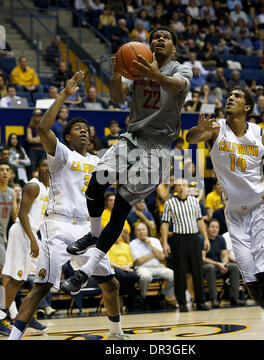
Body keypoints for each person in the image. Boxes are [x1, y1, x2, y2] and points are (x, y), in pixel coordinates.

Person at [62, 27, 192, 294]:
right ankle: (95, 232)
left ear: (174, 48)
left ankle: (85, 272)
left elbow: (177, 86)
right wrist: (118, 70)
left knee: (120, 207)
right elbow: (117, 95)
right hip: (132, 139)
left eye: (166, 37)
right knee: (97, 182)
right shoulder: (139, 63)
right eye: (155, 36)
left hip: (157, 150)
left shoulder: (181, 70)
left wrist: (153, 74)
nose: (159, 39)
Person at [8, 71, 130, 340]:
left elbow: (119, 182)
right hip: (59, 226)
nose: (83, 129)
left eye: (86, 127)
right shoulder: (62, 154)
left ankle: (116, 333)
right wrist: (64, 94)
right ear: (69, 137)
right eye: (77, 128)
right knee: (41, 287)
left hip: (88, 230)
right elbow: (42, 128)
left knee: (111, 284)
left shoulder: (99, 161)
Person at [186, 86, 264, 340]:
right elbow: (191, 139)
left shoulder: (261, 135)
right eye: (229, 95)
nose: (230, 97)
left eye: (237, 96)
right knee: (251, 280)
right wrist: (201, 130)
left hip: (262, 208)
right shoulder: (216, 129)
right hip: (234, 214)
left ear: (247, 108)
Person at [0, 159, 50, 335]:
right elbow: (22, 214)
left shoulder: (49, 189)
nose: (47, 168)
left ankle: (24, 316)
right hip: (23, 233)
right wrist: (33, 239)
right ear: (37, 169)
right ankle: (1, 316)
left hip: (31, 234)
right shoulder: (33, 186)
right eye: (43, 165)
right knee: (16, 278)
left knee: (33, 279)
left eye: (50, 166)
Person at [160, 178, 210, 312]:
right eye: (179, 185)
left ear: (188, 187)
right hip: (178, 239)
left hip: (194, 238)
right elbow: (165, 224)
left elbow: (200, 221)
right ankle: (182, 303)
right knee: (180, 272)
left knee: (198, 271)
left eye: (184, 185)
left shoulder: (194, 201)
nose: (181, 187)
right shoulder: (169, 203)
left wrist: (205, 238)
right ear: (175, 188)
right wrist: (165, 243)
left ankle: (200, 302)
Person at [130, 223, 176, 306]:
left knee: (174, 276)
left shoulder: (155, 241)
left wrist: (150, 245)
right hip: (143, 268)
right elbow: (139, 260)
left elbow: (162, 257)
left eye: (143, 229)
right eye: (139, 230)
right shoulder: (133, 243)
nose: (141, 232)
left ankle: (163, 295)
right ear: (135, 233)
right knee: (145, 277)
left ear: (147, 231)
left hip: (158, 267)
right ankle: (142, 297)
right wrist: (155, 254)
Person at [202, 218, 242, 308]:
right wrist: (218, 264)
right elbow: (203, 258)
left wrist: (223, 264)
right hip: (206, 267)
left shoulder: (221, 239)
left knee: (233, 267)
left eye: (217, 227)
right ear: (207, 228)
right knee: (210, 268)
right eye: (212, 227)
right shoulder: (204, 240)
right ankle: (214, 299)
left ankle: (234, 298)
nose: (215, 229)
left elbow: (225, 255)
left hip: (219, 266)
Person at [0, 161, 18, 335]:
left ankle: (9, 316)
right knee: (7, 279)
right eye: (1, 170)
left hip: (3, 240)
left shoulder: (12, 192)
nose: (5, 173)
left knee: (6, 279)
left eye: (7, 170)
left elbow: (16, 218)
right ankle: (10, 316)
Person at [26, 109, 46, 176]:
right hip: (33, 151)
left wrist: (36, 139)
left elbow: (46, 139)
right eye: (36, 116)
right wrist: (40, 139)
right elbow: (30, 140)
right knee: (32, 169)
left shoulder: (44, 126)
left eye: (40, 116)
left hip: (43, 151)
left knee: (43, 169)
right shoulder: (30, 127)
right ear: (33, 117)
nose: (38, 117)